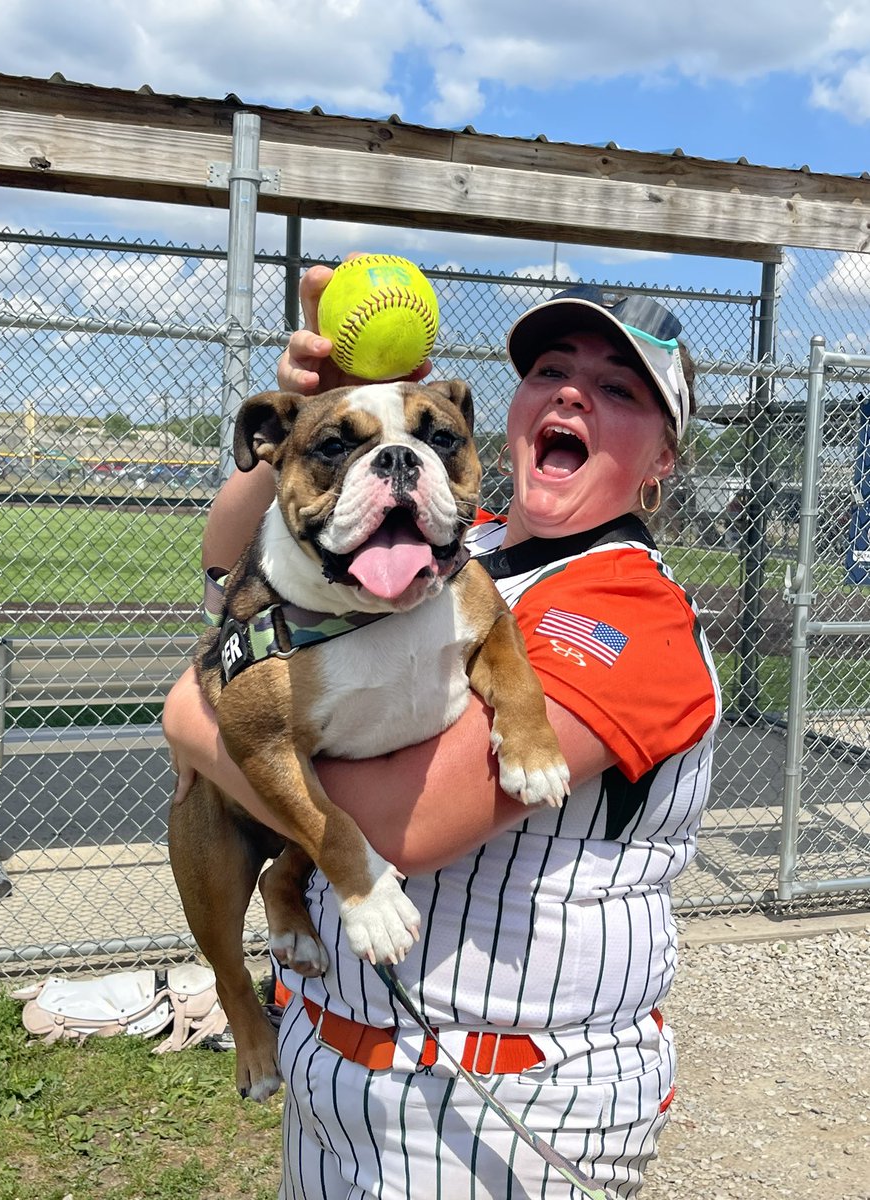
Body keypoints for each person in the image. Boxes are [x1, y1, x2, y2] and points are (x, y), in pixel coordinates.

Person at [162, 271, 720, 1200]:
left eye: (619, 389)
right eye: (549, 371)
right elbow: (231, 564)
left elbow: (408, 826)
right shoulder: (458, 542)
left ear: (664, 456)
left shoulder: (630, 609)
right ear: (510, 414)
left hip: (496, 1101)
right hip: (334, 1063)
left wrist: (197, 723)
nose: (572, 395)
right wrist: (309, 425)